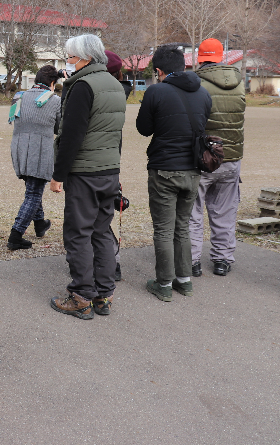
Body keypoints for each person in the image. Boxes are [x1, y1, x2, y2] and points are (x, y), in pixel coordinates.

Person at [49, 34, 126, 319]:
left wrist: (58, 175)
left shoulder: (83, 86)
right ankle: (104, 296)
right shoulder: (115, 85)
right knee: (102, 232)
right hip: (108, 171)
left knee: (78, 234)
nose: (67, 62)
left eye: (70, 57)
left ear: (85, 58)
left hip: (85, 172)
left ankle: (81, 296)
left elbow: (72, 136)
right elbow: (115, 133)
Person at [136, 44, 211, 301]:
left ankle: (164, 284)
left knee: (164, 229)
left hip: (164, 171)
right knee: (183, 227)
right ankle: (185, 281)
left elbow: (144, 129)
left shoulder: (155, 91)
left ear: (159, 70)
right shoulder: (203, 93)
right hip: (193, 170)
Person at [189, 38, 245, 277]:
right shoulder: (240, 82)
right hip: (231, 157)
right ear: (222, 56)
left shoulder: (196, 83)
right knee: (225, 211)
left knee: (193, 212)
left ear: (200, 58)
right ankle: (222, 260)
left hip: (203, 158)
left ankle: (192, 260)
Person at [7, 64, 61, 250]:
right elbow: (58, 128)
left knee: (32, 188)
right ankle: (16, 235)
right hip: (40, 151)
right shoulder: (54, 101)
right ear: (52, 83)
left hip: (19, 148)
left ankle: (40, 224)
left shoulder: (19, 96)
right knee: (34, 193)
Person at [105, 49, 134, 281]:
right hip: (112, 163)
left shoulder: (100, 92)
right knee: (103, 218)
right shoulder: (120, 92)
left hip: (91, 166)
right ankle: (112, 264)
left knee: (92, 222)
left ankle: (107, 266)